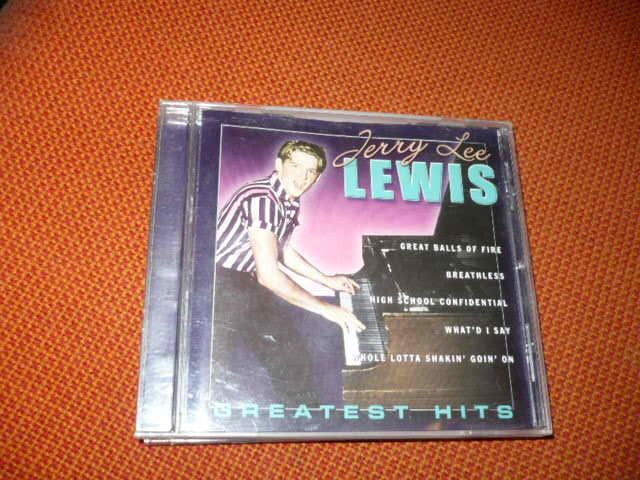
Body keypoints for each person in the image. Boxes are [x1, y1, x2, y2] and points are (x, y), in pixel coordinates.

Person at [212, 140, 365, 406]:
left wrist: (325, 280)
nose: (302, 177)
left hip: (237, 282)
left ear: (317, 177)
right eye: (295, 166)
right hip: (217, 281)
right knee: (269, 351)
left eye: (310, 171)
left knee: (288, 349)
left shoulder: (286, 199)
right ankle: (306, 415)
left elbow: (282, 249)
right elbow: (269, 275)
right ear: (279, 165)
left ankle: (304, 411)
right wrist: (325, 308)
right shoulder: (263, 199)